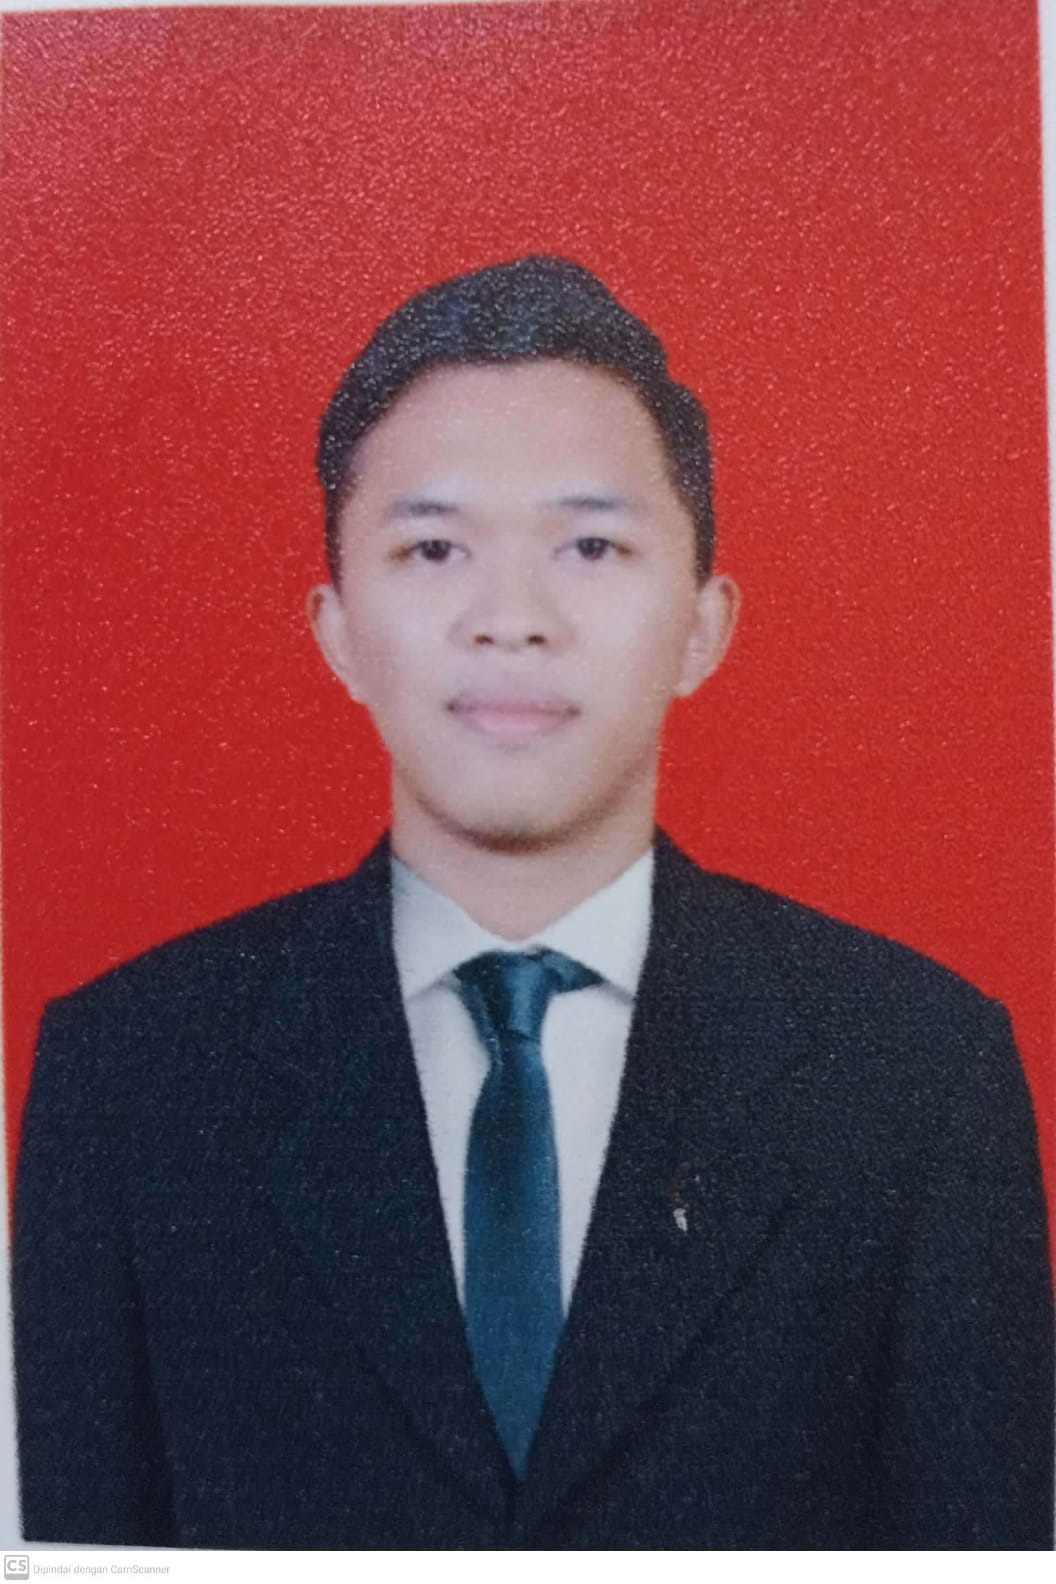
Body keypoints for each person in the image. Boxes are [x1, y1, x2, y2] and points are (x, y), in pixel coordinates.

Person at [12, 257, 1054, 1550]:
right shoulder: (130, 1076)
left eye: (592, 546)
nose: (512, 621)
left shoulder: (917, 1071)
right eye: (434, 548)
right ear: (337, 629)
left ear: (704, 623)